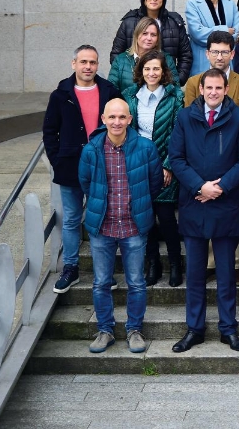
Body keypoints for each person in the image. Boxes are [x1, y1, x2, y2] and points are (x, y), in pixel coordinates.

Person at [167, 69, 239, 353]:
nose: (214, 92)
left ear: (226, 89)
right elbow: (176, 159)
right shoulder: (185, 117)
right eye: (209, 88)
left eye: (219, 88)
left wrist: (220, 187)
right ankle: (194, 329)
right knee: (194, 274)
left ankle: (228, 329)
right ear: (201, 89)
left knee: (227, 275)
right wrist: (199, 187)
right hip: (195, 204)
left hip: (226, 205)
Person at [78, 99, 163, 354]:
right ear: (103, 119)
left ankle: (134, 329)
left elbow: (154, 183)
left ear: (129, 119)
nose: (117, 122)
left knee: (136, 282)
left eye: (122, 117)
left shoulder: (145, 148)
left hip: (133, 226)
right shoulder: (91, 150)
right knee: (101, 282)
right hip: (102, 227)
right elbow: (85, 182)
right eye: (112, 117)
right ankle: (105, 330)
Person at [45, 45, 121, 293]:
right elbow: (49, 131)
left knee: (102, 219)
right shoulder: (61, 95)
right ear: (74, 63)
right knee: (71, 220)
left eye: (93, 62)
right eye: (84, 62)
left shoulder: (109, 91)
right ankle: (71, 268)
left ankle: (104, 272)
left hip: (103, 166)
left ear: (98, 65)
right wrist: (57, 159)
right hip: (70, 165)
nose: (88, 66)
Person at [122, 50, 184, 287]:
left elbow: (177, 134)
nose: (152, 73)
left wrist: (168, 166)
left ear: (163, 71)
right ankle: (153, 264)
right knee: (144, 218)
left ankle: (176, 265)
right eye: (147, 69)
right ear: (141, 71)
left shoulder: (175, 96)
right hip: (139, 166)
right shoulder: (130, 96)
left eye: (156, 68)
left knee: (167, 218)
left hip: (166, 164)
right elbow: (128, 133)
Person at [111, 0, 192, 82]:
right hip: (133, 84)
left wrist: (176, 80)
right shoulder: (129, 22)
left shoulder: (174, 23)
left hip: (166, 85)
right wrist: (128, 81)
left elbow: (186, 55)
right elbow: (116, 54)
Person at [185, 0, 239, 76]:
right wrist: (225, 30)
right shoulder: (193, 4)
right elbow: (198, 33)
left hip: (228, 65)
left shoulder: (230, 4)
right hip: (203, 65)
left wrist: (211, 31)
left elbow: (238, 32)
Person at [184, 31, 239, 114]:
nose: (219, 57)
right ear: (207, 54)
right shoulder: (193, 83)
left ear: (232, 54)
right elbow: (189, 118)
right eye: (215, 52)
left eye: (224, 52)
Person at [109, 17, 178, 95]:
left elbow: (176, 89)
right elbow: (111, 91)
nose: (149, 38)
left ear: (157, 39)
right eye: (144, 33)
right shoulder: (120, 60)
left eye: (153, 35)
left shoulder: (167, 60)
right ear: (136, 35)